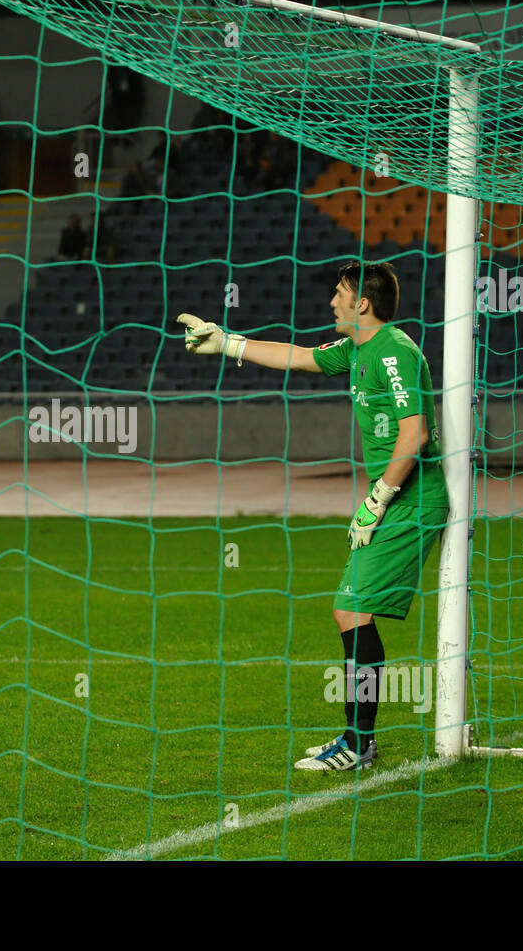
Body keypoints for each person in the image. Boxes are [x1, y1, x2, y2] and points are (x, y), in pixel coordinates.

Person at [177, 261, 450, 771]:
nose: (331, 302)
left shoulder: (393, 349)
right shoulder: (358, 349)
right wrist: (227, 342)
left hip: (410, 499)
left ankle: (357, 745)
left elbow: (413, 435)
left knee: (352, 610)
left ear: (361, 304)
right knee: (348, 611)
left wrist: (379, 499)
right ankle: (356, 739)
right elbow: (298, 357)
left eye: (339, 293)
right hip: (394, 496)